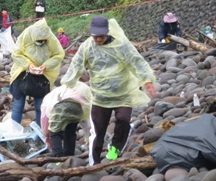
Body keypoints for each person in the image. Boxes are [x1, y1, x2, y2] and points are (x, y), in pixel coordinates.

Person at [61, 16, 156, 165]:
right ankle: (95, 162)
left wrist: (147, 80)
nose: (98, 39)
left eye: (101, 36)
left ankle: (115, 148)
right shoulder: (87, 47)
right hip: (100, 96)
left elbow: (135, 60)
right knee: (98, 130)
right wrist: (68, 83)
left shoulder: (120, 44)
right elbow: (76, 64)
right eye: (95, 36)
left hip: (123, 93)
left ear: (107, 32)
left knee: (123, 120)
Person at [8, 19, 64, 127]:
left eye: (43, 41)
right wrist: (29, 65)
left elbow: (59, 55)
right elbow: (16, 53)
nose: (41, 42)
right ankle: (14, 131)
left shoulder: (51, 38)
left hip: (42, 74)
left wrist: (45, 66)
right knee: (18, 105)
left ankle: (41, 132)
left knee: (40, 106)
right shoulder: (26, 35)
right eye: (38, 40)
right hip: (22, 72)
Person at [41, 82, 92, 157]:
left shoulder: (49, 97)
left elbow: (44, 119)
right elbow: (87, 119)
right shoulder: (80, 87)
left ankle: (57, 156)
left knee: (55, 132)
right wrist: (88, 138)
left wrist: (46, 135)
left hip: (59, 106)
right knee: (70, 130)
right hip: (78, 106)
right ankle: (69, 153)